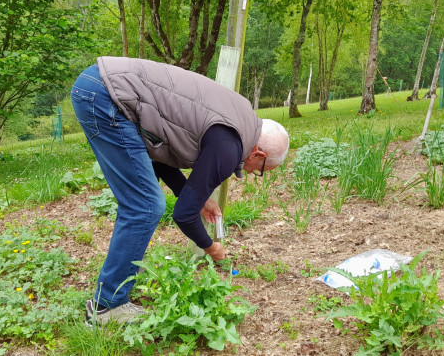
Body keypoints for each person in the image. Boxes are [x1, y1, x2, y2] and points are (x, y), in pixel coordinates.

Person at [71, 57, 289, 325]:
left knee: (144, 203)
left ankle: (111, 297)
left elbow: (155, 151)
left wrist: (194, 196)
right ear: (258, 153)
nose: (252, 172)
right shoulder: (230, 146)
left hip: (102, 84)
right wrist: (210, 247)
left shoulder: (241, 117)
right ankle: (107, 307)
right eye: (260, 169)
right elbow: (184, 215)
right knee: (145, 206)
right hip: (107, 96)